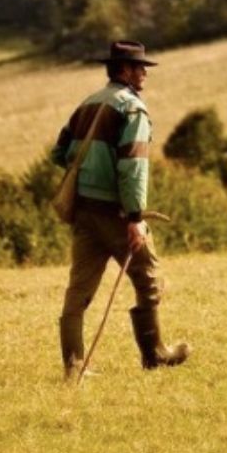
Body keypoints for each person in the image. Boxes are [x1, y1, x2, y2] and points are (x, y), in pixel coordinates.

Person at [51, 40, 190, 380]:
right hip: (115, 213)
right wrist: (134, 218)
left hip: (84, 210)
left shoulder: (88, 103)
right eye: (140, 67)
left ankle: (73, 368)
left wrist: (91, 171)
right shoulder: (132, 110)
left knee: (78, 290)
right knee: (149, 279)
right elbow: (133, 168)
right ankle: (155, 354)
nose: (145, 73)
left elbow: (59, 153)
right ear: (124, 71)